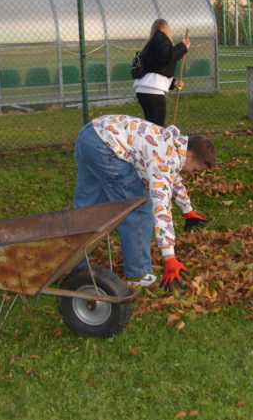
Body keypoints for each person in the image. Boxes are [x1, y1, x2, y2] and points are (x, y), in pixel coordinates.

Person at [73, 114, 213, 290]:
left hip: (90, 134)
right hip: (106, 147)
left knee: (88, 206)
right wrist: (169, 257)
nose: (192, 174)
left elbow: (174, 179)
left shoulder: (172, 144)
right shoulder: (164, 162)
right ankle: (138, 273)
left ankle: (75, 264)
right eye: (195, 170)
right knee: (138, 206)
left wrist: (187, 210)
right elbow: (161, 208)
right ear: (190, 155)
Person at [133, 19, 190, 127]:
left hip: (145, 89)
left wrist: (173, 83)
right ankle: (155, 143)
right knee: (158, 128)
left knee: (153, 126)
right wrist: (183, 47)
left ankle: (149, 142)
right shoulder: (161, 38)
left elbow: (157, 67)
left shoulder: (153, 41)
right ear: (165, 28)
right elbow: (167, 58)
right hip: (152, 90)